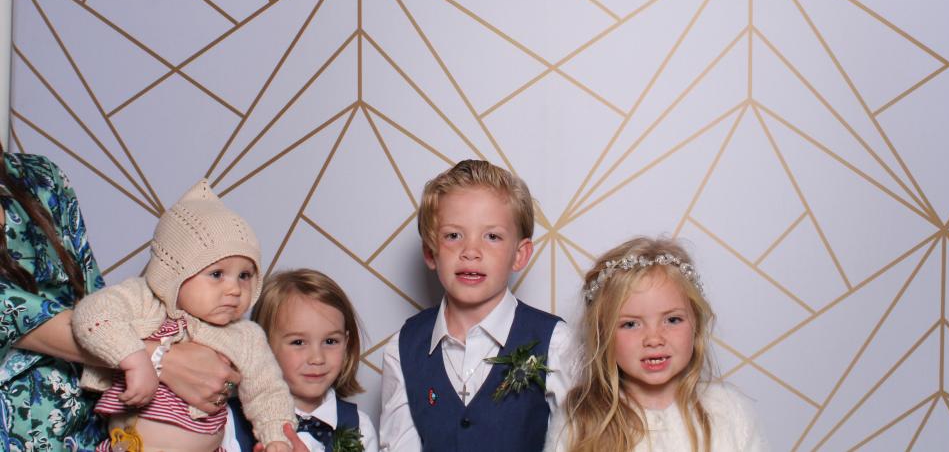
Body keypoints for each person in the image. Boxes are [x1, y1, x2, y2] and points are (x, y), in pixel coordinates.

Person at [0, 148, 239, 451]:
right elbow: (11, 311)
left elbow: (92, 301)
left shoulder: (40, 176)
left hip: (90, 431)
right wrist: (159, 358)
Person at [70, 179, 294, 451]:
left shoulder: (246, 336)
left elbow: (267, 390)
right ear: (174, 274)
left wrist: (276, 437)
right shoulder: (143, 301)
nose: (235, 289)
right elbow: (91, 315)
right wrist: (136, 359)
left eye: (245, 275)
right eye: (217, 274)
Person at [379, 160, 576, 451]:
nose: (471, 252)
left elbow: (574, 442)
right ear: (431, 253)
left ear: (519, 255)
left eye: (492, 236)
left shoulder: (555, 342)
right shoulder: (403, 347)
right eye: (453, 236)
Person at [549, 237, 768, 451]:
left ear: (696, 324)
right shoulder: (580, 421)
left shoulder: (730, 411)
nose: (654, 339)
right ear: (602, 334)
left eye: (672, 320)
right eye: (631, 324)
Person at [224, 268, 378, 451]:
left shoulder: (360, 427)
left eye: (330, 341)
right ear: (263, 347)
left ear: (346, 343)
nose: (317, 358)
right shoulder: (228, 421)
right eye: (298, 342)